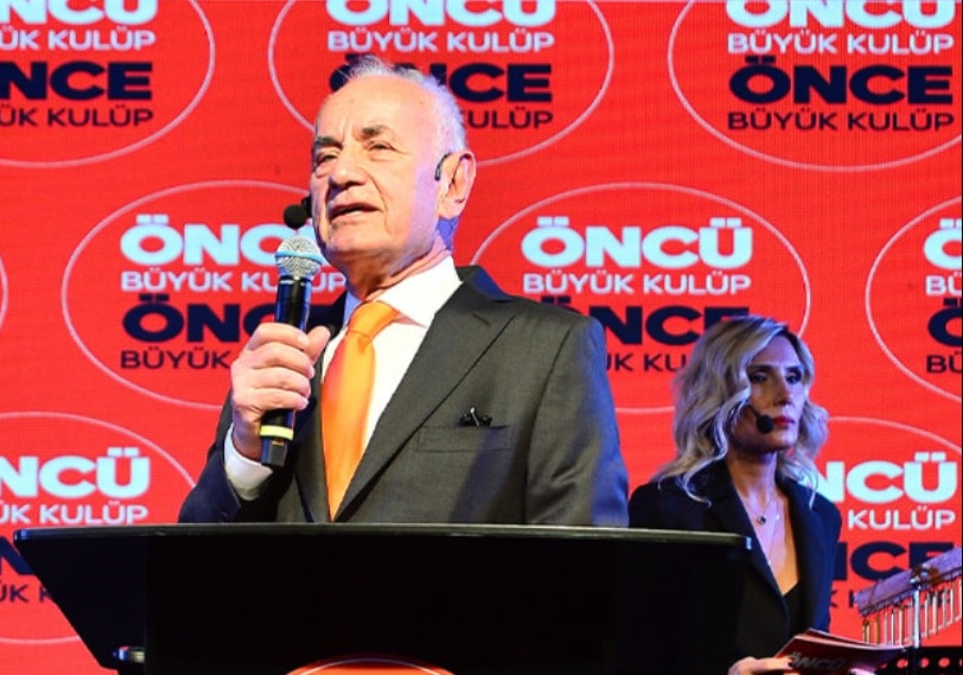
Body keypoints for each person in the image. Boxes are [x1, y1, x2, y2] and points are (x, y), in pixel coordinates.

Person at [178, 55, 628, 525]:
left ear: (452, 183)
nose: (341, 174)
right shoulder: (282, 358)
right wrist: (245, 456)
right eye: (325, 157)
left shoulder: (543, 351)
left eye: (378, 147)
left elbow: (581, 557)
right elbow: (189, 560)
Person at [627, 315, 842, 675]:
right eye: (759, 377)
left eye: (793, 377)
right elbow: (637, 655)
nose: (785, 395)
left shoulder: (820, 514)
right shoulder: (668, 508)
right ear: (720, 392)